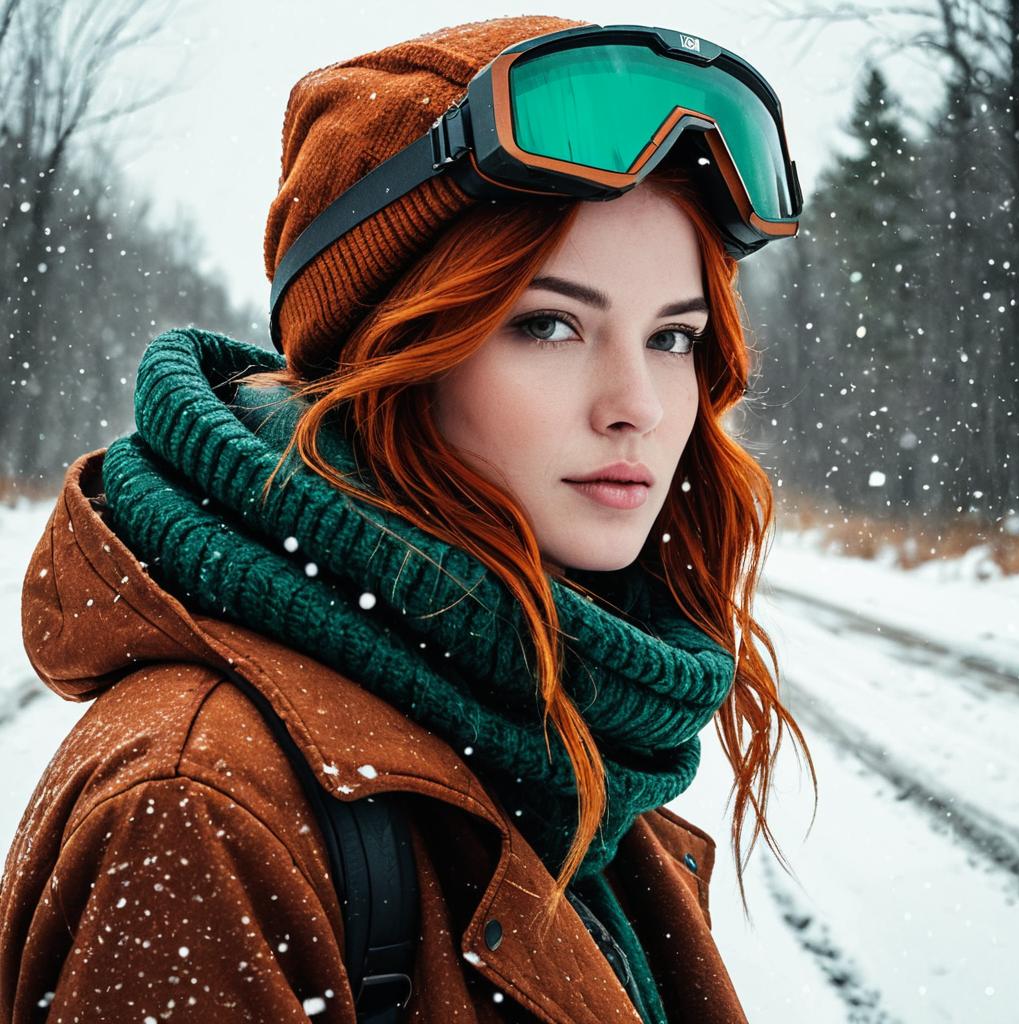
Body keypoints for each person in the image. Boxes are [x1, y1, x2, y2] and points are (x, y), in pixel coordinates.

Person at [0, 14, 815, 1024]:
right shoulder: (198, 804)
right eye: (548, 323)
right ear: (388, 361)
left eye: (672, 337)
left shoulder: (556, 732)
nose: (637, 404)